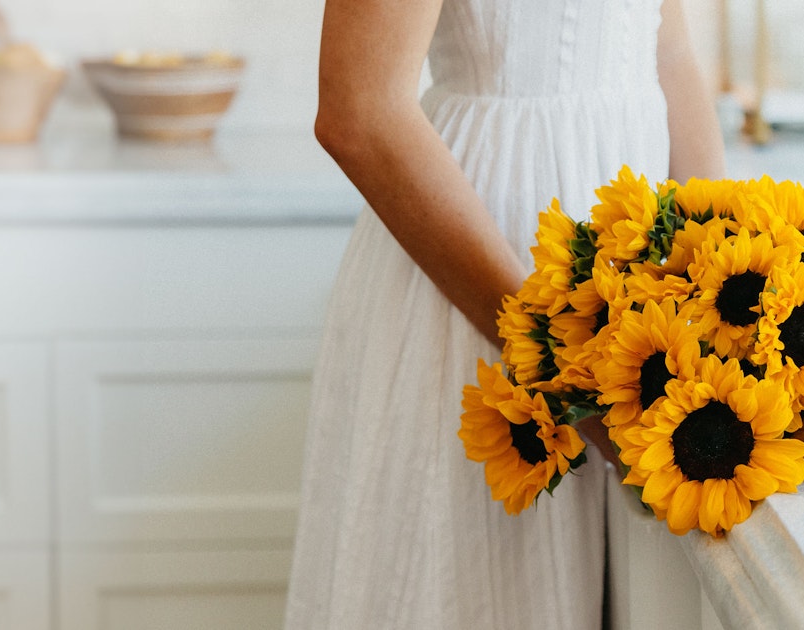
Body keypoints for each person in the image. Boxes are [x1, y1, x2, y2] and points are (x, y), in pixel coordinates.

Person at [285, 0, 726, 626]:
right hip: (479, 290)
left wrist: (714, 276)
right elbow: (359, 111)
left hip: (636, 300)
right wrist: (553, 359)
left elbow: (669, 55)